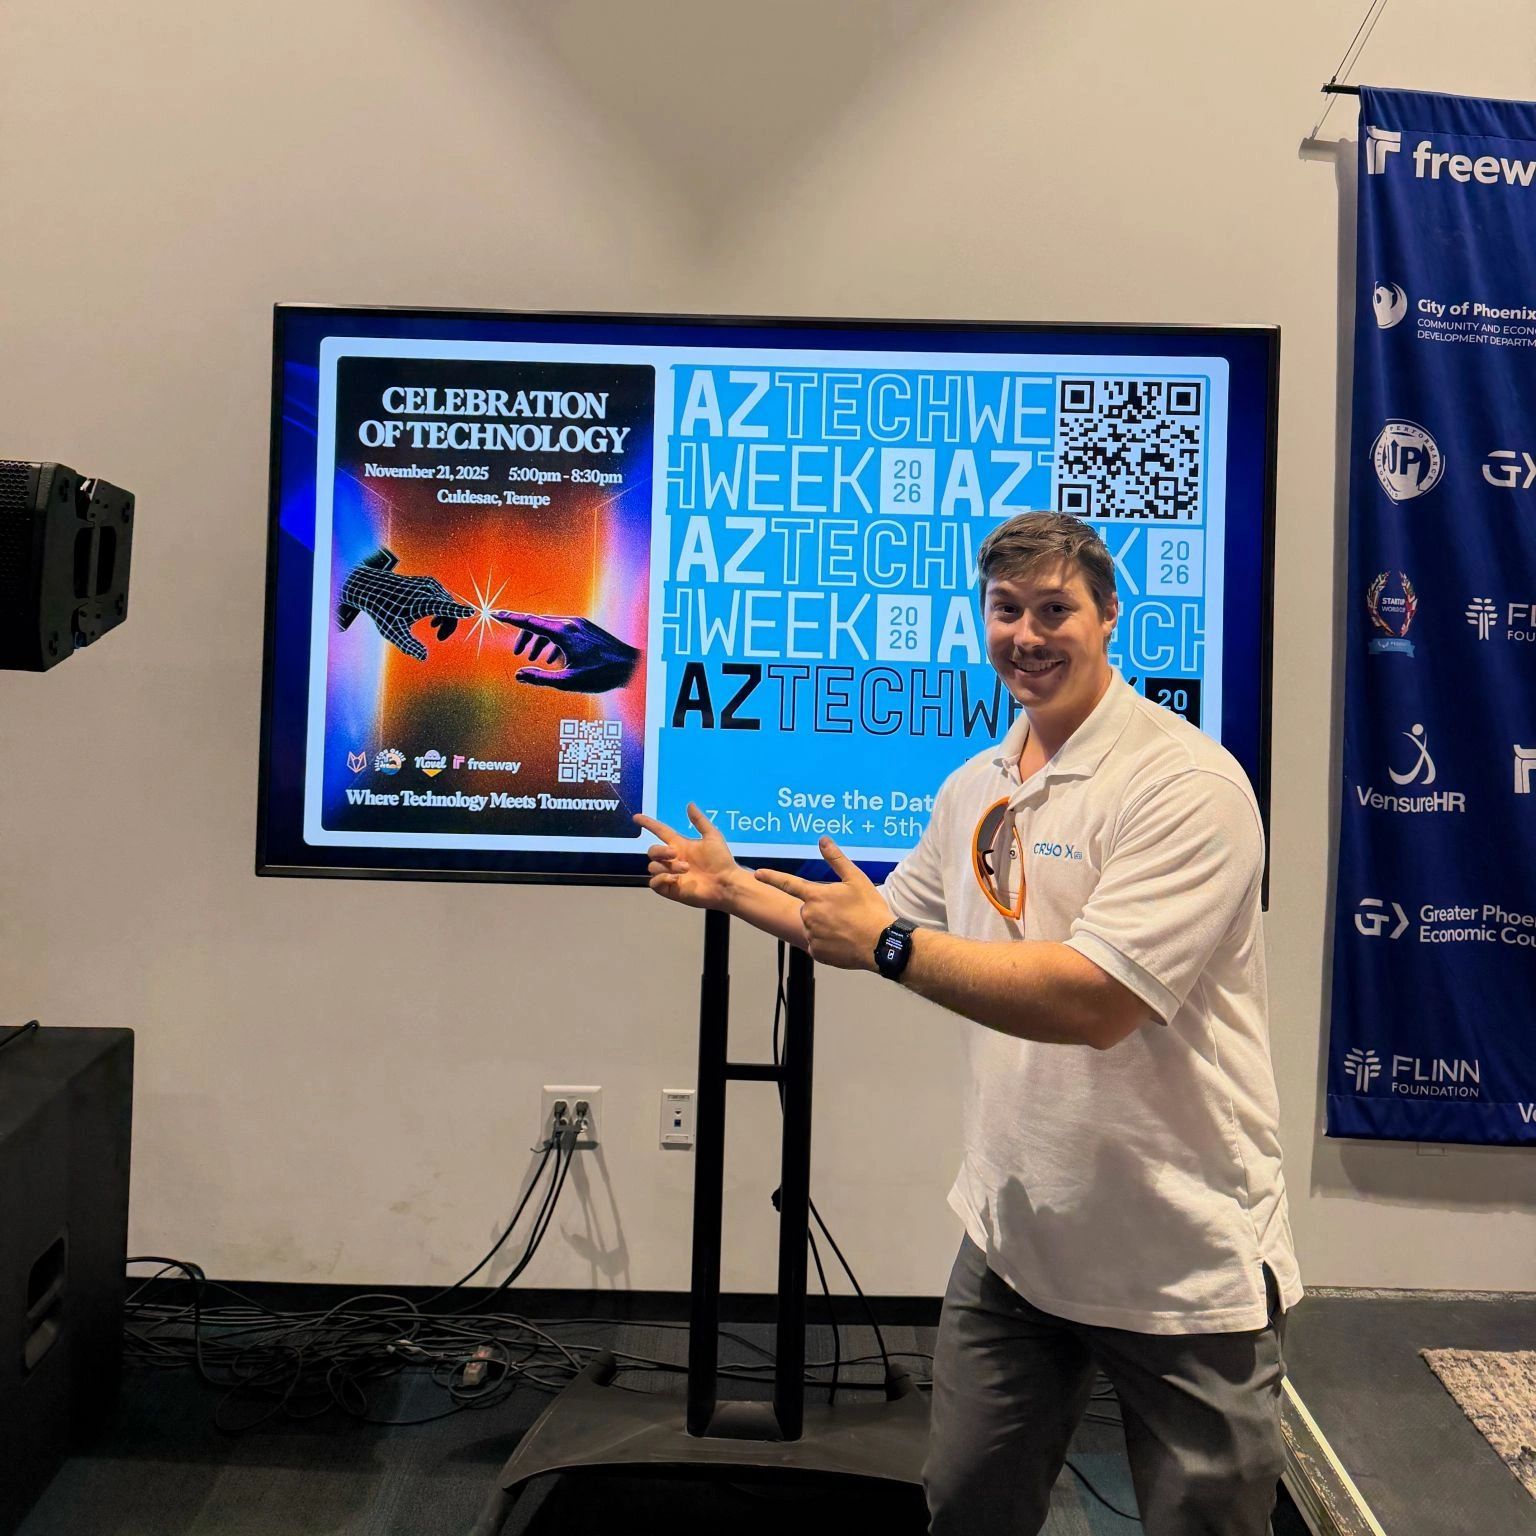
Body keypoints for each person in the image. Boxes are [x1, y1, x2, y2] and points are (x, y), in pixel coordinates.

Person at [635, 510, 1301, 1536]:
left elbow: (1095, 1001)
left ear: (1108, 617)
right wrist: (735, 891)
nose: (1026, 635)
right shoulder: (976, 786)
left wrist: (889, 946)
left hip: (1181, 1266)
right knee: (966, 1510)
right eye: (1005, 609)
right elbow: (872, 924)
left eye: (1054, 609)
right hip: (1014, 1246)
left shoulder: (1187, 786)